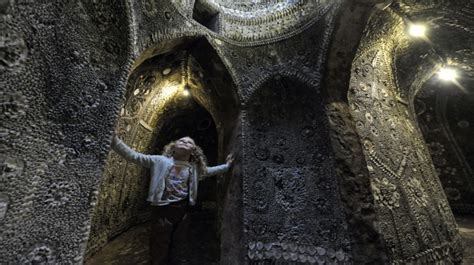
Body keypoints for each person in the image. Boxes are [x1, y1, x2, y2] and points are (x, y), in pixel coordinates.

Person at [111, 134, 233, 265]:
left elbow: (209, 171)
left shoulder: (194, 169)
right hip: (162, 211)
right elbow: (133, 156)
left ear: (193, 151)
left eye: (189, 142)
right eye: (181, 140)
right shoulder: (160, 161)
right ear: (173, 147)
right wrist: (114, 141)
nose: (184, 142)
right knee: (159, 245)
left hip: (183, 211)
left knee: (179, 244)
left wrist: (227, 166)